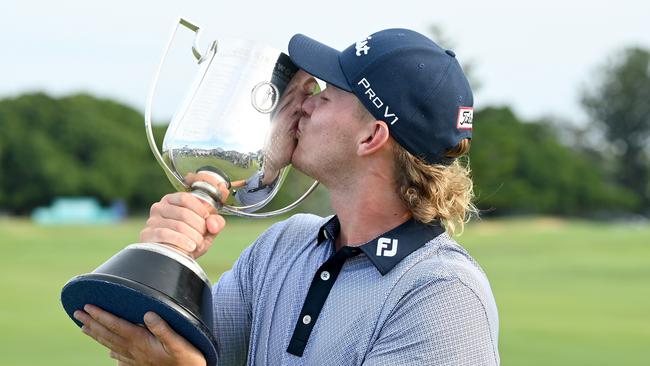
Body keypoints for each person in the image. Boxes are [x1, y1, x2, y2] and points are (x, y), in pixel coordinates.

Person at [73, 28, 500, 365]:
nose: (305, 103)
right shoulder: (283, 246)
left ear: (371, 136)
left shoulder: (443, 296)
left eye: (329, 94)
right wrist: (169, 264)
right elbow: (164, 351)